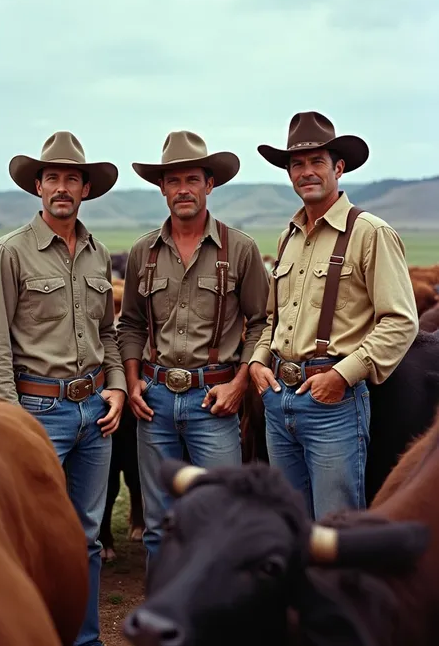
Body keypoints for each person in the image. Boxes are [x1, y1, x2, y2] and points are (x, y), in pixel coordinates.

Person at [0, 130, 127, 646]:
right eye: (52, 178)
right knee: (26, 537)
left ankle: (85, 639)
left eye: (72, 179)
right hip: (37, 410)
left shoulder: (96, 253)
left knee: (83, 537)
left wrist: (118, 387)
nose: (62, 187)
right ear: (38, 187)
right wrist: (12, 424)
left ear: (85, 189)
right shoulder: (10, 252)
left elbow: (107, 333)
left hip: (94, 411)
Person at [249, 111, 418, 519]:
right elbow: (273, 319)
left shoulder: (370, 233)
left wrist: (342, 376)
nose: (306, 172)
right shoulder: (288, 237)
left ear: (338, 168)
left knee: (335, 526)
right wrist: (257, 360)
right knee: (291, 526)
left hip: (333, 404)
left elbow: (401, 321)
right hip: (278, 400)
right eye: (297, 164)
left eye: (316, 162)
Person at [117, 130, 269, 565]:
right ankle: (163, 626)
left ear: (209, 184)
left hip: (214, 400)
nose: (182, 189)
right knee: (159, 525)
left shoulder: (240, 249)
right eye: (173, 181)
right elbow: (128, 324)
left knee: (220, 518)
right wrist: (131, 381)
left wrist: (240, 383)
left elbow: (260, 324)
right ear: (162, 189)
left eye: (192, 180)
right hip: (155, 399)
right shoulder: (142, 251)